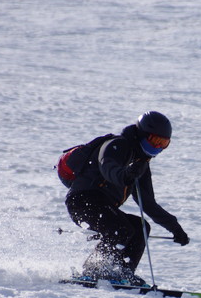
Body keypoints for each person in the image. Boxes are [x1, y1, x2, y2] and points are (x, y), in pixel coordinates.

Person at [65, 111, 189, 285]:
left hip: (103, 206)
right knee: (121, 229)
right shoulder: (117, 145)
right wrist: (125, 175)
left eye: (164, 143)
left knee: (140, 227)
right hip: (82, 201)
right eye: (155, 140)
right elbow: (108, 167)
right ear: (143, 134)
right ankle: (92, 270)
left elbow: (148, 203)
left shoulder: (141, 163)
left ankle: (122, 273)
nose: (158, 147)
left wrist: (175, 228)